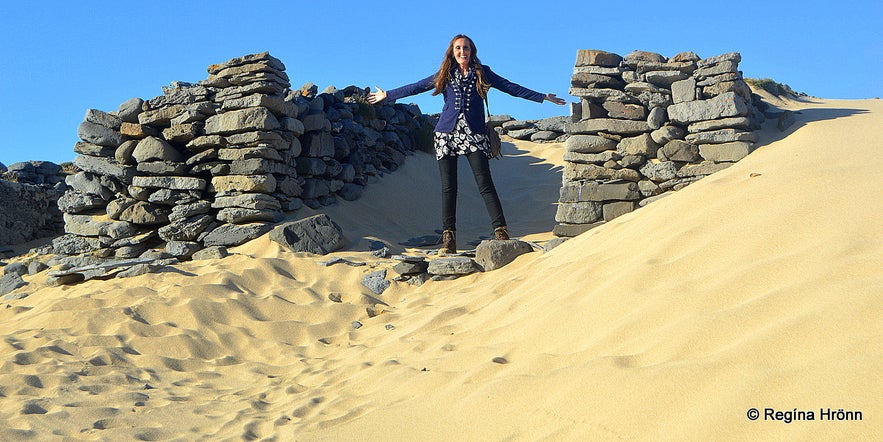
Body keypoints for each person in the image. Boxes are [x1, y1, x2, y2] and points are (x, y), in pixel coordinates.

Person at [367, 34, 565, 254]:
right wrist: (388, 95)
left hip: (474, 134)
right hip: (446, 134)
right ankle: (449, 238)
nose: (463, 52)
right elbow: (417, 87)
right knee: (449, 188)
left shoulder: (483, 72)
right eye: (458, 48)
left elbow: (510, 87)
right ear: (452, 52)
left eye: (466, 48)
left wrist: (542, 97)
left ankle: (501, 231)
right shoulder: (444, 73)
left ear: (473, 51)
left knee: (485, 184)